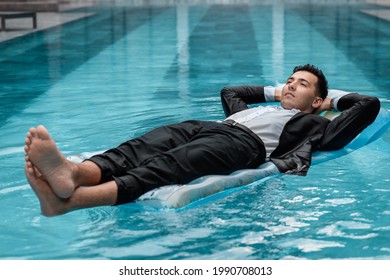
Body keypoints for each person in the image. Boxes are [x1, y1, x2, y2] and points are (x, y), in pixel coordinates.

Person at [24, 64, 380, 216]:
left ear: (318, 101)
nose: (290, 84)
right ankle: (74, 174)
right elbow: (231, 90)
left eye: (301, 84)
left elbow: (368, 104)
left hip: (244, 145)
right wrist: (279, 93)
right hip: (209, 126)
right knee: (140, 147)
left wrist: (326, 103)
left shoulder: (312, 125)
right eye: (289, 79)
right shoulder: (249, 106)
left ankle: (72, 202)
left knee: (167, 166)